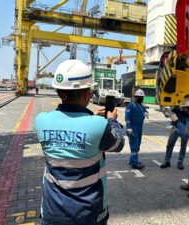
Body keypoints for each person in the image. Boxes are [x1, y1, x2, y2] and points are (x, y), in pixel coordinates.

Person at [35, 59, 125, 225]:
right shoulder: (99, 126)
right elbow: (119, 144)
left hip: (51, 214)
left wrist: (90, 116)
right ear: (87, 94)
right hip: (88, 215)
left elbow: (70, 124)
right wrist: (112, 121)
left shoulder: (41, 121)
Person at [125, 89, 148, 170]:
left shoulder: (141, 106)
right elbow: (127, 117)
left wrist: (146, 113)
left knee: (137, 146)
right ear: (136, 97)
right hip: (133, 129)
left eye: (142, 97)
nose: (142, 99)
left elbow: (145, 111)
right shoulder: (130, 105)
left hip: (139, 129)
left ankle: (132, 160)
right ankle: (134, 163)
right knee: (134, 146)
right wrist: (128, 127)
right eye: (140, 97)